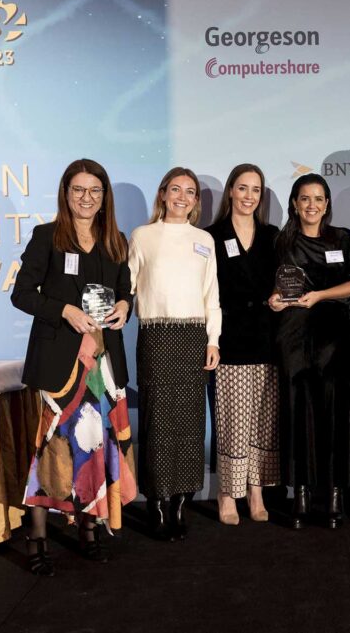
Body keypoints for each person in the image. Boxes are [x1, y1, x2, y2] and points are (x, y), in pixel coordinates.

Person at [11, 158, 137, 576]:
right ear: (66, 194)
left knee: (96, 449)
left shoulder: (115, 240)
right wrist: (64, 310)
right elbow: (22, 294)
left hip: (103, 366)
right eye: (78, 190)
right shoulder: (47, 236)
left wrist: (125, 306)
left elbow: (125, 291)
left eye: (95, 191)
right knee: (52, 452)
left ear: (104, 197)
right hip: (60, 367)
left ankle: (89, 530)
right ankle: (37, 539)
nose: (86, 198)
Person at [128, 167, 221, 541]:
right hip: (156, 337)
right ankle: (156, 502)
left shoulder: (204, 240)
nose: (182, 197)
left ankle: (180, 503)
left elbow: (211, 295)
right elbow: (127, 286)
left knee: (190, 424)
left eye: (190, 192)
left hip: (194, 338)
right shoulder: (143, 236)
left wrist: (213, 340)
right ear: (163, 194)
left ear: (196, 200)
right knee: (157, 424)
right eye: (176, 189)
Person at [269, 174, 350, 529]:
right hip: (294, 334)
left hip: (334, 335)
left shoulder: (344, 238)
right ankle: (301, 495)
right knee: (298, 412)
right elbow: (273, 288)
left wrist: (321, 296)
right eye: (305, 198)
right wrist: (274, 300)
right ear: (295, 204)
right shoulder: (281, 241)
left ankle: (335, 495)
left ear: (327, 204)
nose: (312, 205)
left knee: (336, 412)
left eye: (319, 198)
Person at [206, 163, 281, 525]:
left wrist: (280, 297)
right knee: (233, 421)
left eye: (255, 190)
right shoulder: (211, 236)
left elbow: (285, 279)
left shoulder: (272, 236)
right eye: (242, 188)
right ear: (231, 192)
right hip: (230, 339)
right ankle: (227, 493)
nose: (249, 196)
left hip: (267, 337)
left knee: (263, 421)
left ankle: (256, 491)